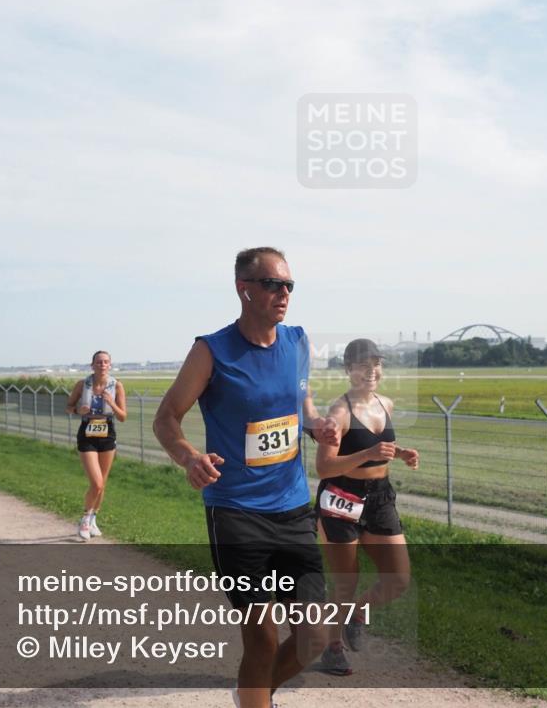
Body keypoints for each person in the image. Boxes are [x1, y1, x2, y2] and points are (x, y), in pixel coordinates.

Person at [154, 247, 338, 708]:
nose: (284, 294)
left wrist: (315, 424)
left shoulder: (297, 342)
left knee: (313, 635)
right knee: (262, 638)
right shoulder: (211, 351)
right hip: (236, 513)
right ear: (244, 289)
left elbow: (299, 403)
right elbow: (166, 418)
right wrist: (189, 457)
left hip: (293, 509)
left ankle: (251, 696)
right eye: (274, 284)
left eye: (289, 285)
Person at [315, 338, 419, 675]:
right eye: (362, 364)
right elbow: (324, 468)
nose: (371, 370)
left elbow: (379, 443)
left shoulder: (384, 403)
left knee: (399, 578)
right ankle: (332, 649)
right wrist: (368, 455)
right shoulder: (339, 412)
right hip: (341, 498)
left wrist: (399, 453)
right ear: (348, 369)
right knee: (345, 579)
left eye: (376, 363)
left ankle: (357, 615)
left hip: (380, 497)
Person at [65, 350, 127, 542]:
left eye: (106, 362)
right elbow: (68, 407)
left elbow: (123, 416)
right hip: (87, 434)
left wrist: (111, 403)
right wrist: (78, 410)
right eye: (99, 362)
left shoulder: (116, 386)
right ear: (92, 365)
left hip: (107, 432)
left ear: (110, 365)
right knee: (96, 483)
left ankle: (93, 519)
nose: (102, 365)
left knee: (103, 484)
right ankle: (84, 519)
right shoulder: (83, 385)